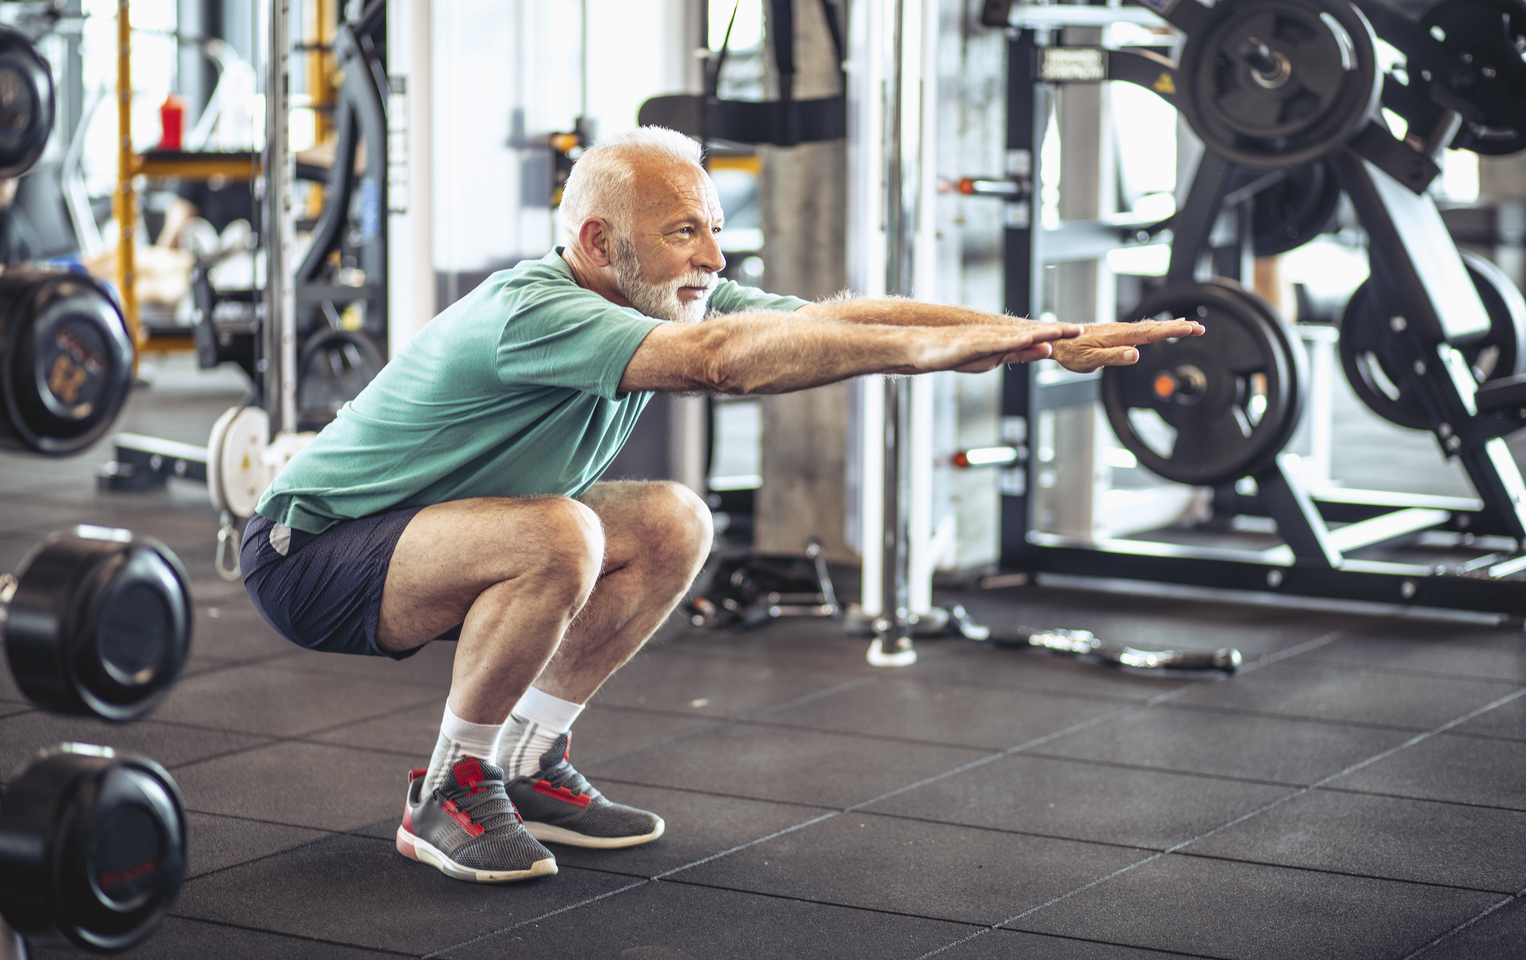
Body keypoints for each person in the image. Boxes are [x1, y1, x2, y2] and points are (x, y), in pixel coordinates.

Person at [240, 126, 1203, 885]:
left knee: (672, 519)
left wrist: (1037, 335)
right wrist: (929, 356)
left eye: (710, 226)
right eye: (683, 232)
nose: (712, 252)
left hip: (439, 535)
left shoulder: (666, 288)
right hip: (313, 554)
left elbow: (830, 320)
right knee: (561, 532)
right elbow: (723, 363)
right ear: (596, 243)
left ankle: (526, 763)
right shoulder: (532, 312)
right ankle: (451, 788)